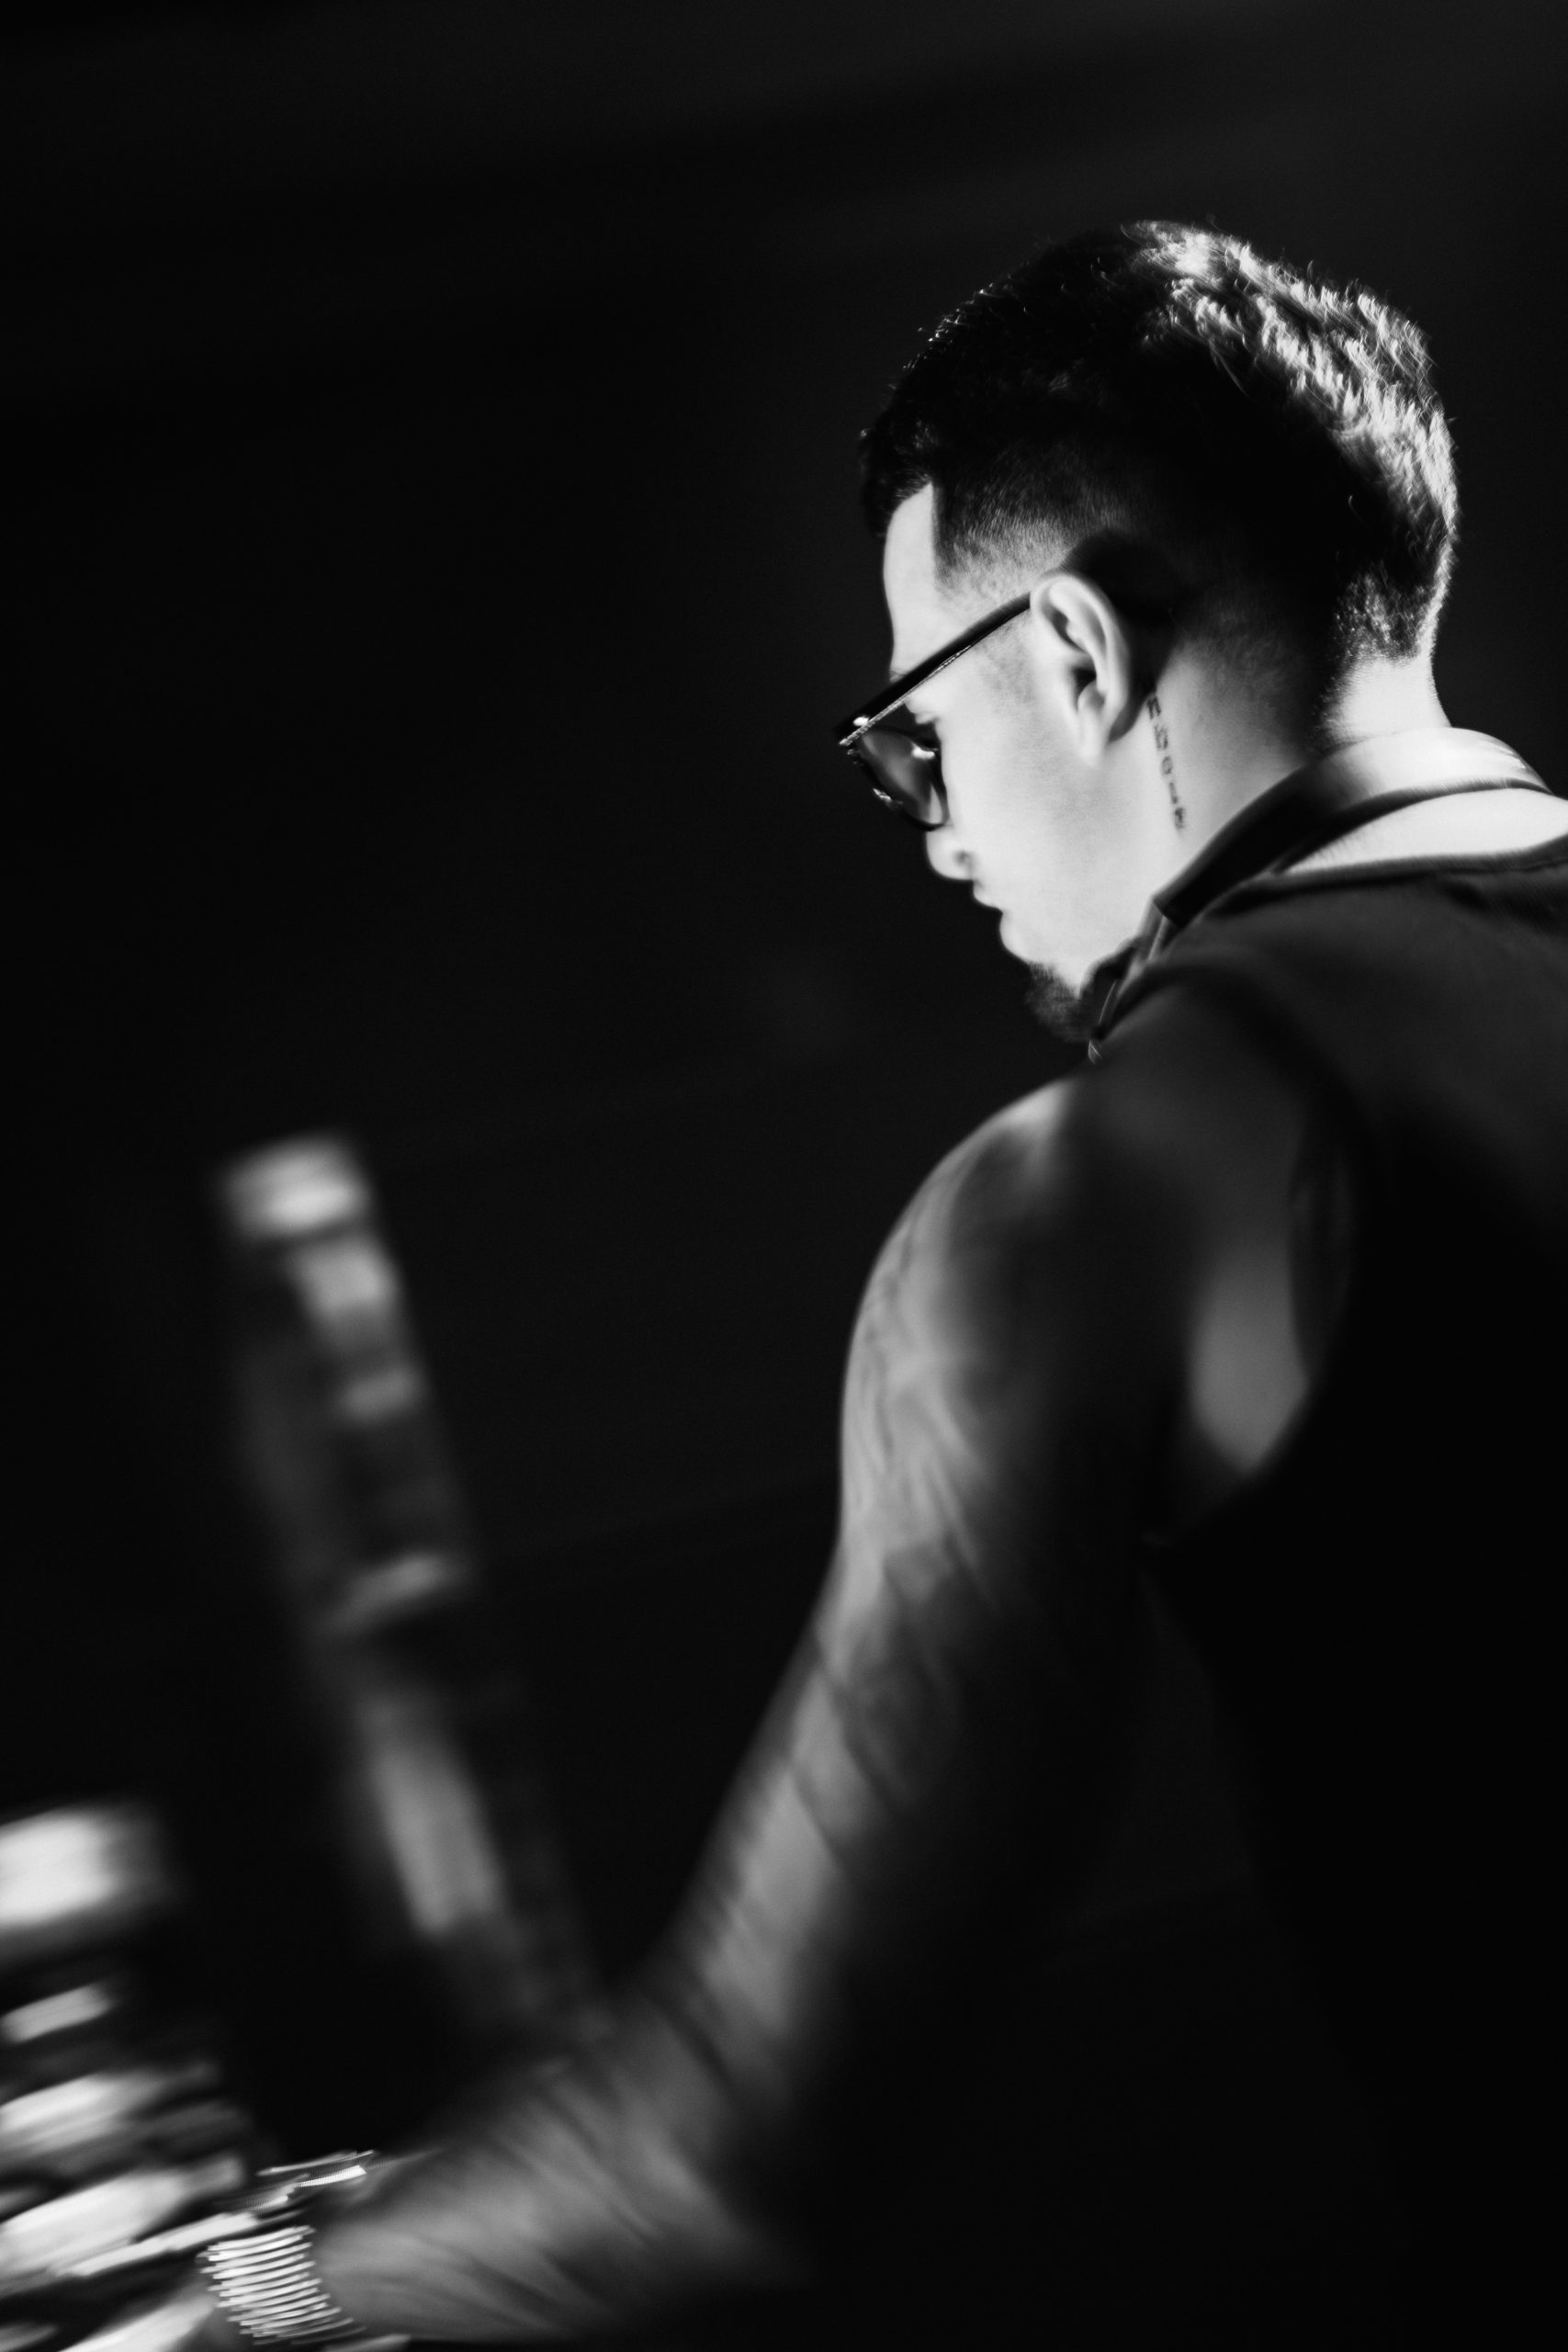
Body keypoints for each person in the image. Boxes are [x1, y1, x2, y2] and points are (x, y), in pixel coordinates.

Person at [197, 224, 1568, 2345]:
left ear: (1077, 652)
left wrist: (246, 2280)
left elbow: (720, 2152)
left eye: (917, 735)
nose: (930, 834)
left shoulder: (1098, 1191)